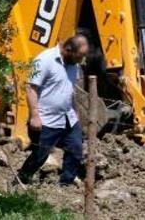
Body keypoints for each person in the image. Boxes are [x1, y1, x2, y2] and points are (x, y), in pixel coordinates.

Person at [16, 34, 89, 186]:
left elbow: (70, 88)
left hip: (67, 117)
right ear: (68, 50)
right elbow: (31, 89)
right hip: (47, 119)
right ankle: (21, 179)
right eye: (79, 56)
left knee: (76, 149)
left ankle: (66, 183)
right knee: (40, 155)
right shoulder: (44, 60)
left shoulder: (73, 64)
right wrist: (34, 116)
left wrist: (75, 110)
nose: (81, 60)